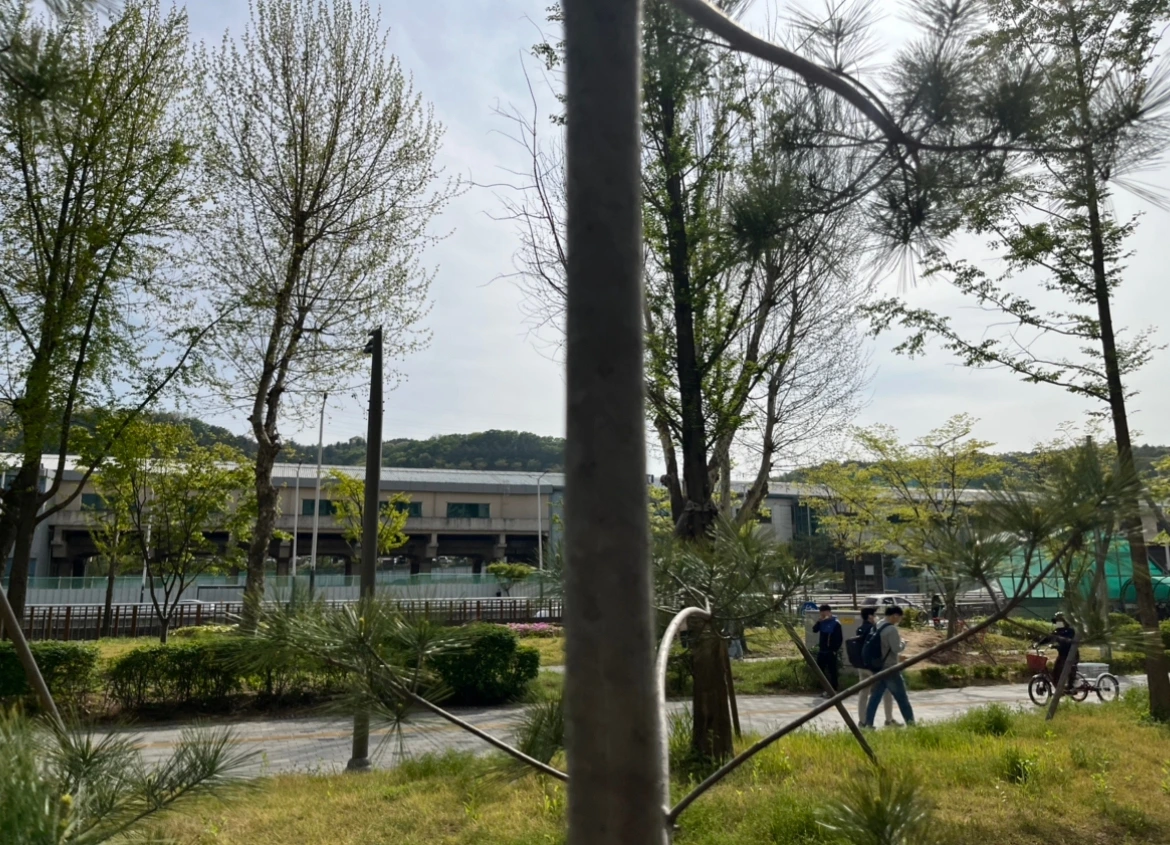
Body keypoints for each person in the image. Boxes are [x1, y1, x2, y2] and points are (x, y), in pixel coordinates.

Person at [862, 606, 916, 728]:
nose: (900, 620)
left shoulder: (878, 624)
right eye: (900, 617)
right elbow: (896, 648)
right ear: (895, 615)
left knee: (875, 697)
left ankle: (868, 724)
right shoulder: (891, 629)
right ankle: (911, 724)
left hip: (878, 666)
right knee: (902, 698)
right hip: (890, 668)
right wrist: (903, 643)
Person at [855, 607, 896, 726]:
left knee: (863, 693)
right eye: (874, 615)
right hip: (872, 666)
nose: (876, 617)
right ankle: (888, 720)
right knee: (886, 691)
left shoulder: (860, 629)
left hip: (861, 665)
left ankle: (862, 721)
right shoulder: (873, 629)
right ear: (870, 616)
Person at [1036, 613, 1077, 689]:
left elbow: (1067, 642)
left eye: (1059, 622)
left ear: (1065, 622)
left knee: (1064, 671)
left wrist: (1057, 645)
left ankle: (1070, 686)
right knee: (1056, 672)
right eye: (1056, 622)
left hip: (1071, 655)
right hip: (1062, 655)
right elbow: (1049, 637)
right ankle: (1060, 689)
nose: (1057, 624)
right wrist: (1038, 643)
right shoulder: (1058, 631)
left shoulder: (1070, 631)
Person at [812, 603, 843, 696]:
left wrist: (834, 650)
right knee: (820, 670)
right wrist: (819, 621)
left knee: (832, 671)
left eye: (824, 612)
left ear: (829, 612)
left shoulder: (836, 623)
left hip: (831, 651)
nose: (822, 614)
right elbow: (814, 630)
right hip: (822, 650)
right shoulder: (822, 622)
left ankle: (834, 690)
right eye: (821, 612)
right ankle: (825, 689)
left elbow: (839, 639)